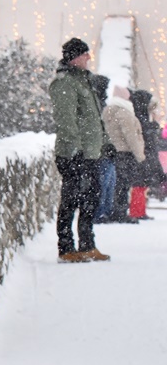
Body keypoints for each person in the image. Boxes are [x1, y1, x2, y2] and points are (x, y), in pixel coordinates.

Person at [49, 38, 109, 263]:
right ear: (74, 57)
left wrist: (105, 144)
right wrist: (74, 149)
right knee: (70, 200)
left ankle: (87, 245)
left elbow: (94, 119)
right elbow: (66, 120)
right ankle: (66, 248)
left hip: (90, 152)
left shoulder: (84, 81)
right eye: (85, 54)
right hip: (73, 153)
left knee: (91, 198)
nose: (88, 58)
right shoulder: (65, 83)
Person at [102, 84, 145, 223]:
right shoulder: (123, 112)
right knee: (123, 184)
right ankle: (120, 212)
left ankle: (113, 210)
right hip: (125, 153)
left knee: (116, 184)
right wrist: (139, 154)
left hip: (114, 151)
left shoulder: (109, 111)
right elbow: (131, 136)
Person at [130, 90, 166, 219]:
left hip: (145, 154)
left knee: (142, 185)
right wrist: (155, 124)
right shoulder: (140, 117)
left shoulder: (141, 115)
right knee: (139, 184)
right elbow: (147, 136)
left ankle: (140, 211)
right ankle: (137, 212)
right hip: (143, 155)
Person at [89, 74, 117, 224]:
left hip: (104, 150)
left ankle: (102, 212)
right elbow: (100, 128)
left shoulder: (100, 102)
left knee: (106, 184)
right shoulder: (97, 103)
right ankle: (99, 212)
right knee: (102, 184)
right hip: (101, 150)